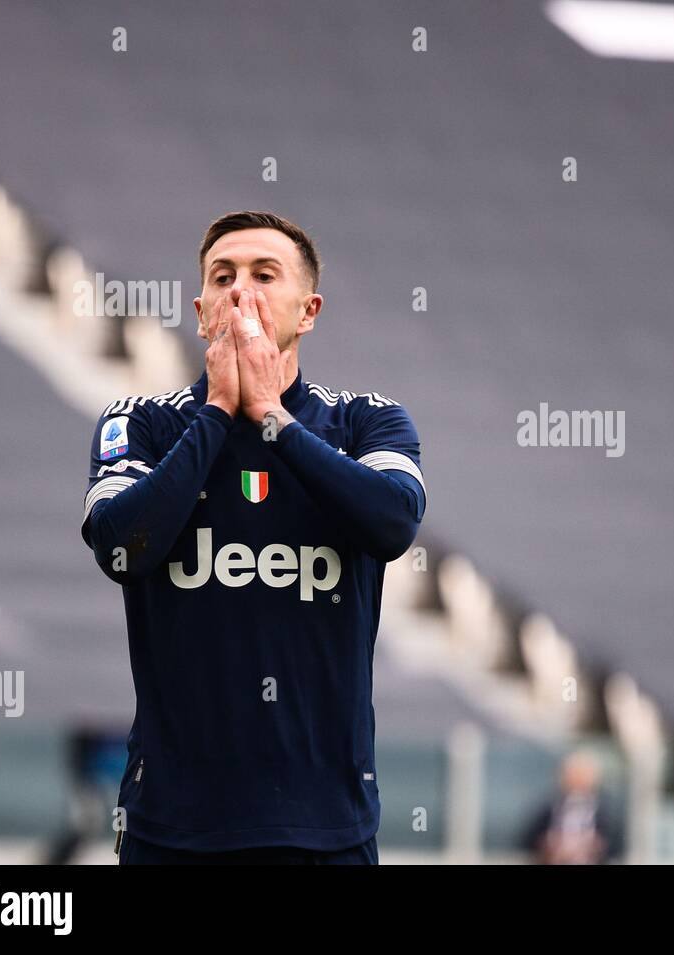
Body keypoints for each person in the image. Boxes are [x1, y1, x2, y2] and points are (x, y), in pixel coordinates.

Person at [82, 211, 426, 864]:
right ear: (202, 309)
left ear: (309, 310)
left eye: (265, 275)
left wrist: (271, 415)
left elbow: (393, 523)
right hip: (172, 828)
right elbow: (121, 547)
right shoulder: (141, 422)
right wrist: (217, 412)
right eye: (223, 277)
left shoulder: (365, 420)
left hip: (326, 827)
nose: (241, 291)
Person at [523, 750, 624, 864]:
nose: (578, 779)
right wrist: (548, 844)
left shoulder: (607, 811)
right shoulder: (548, 806)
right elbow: (529, 839)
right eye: (574, 774)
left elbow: (616, 845)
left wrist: (595, 846)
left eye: (582, 775)